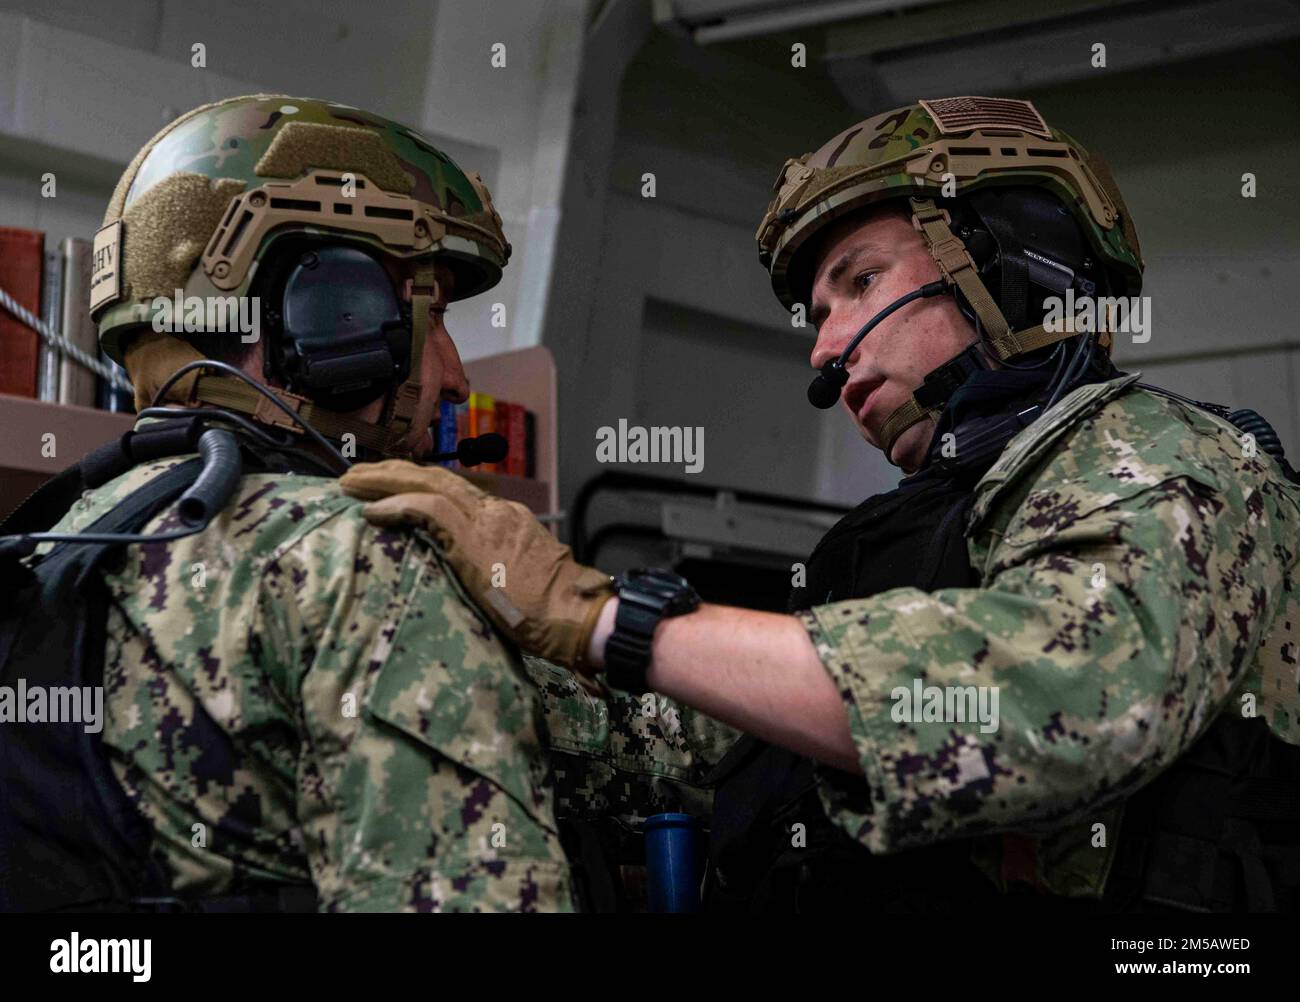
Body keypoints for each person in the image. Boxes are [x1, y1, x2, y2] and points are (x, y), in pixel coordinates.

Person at [342, 96, 1300, 912]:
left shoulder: (1170, 458)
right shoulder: (898, 534)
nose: (823, 346)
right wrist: (467, 642)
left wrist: (603, 619)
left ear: (1007, 256)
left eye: (860, 283)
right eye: (817, 311)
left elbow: (1069, 697)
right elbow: (707, 744)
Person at [0, 94, 580, 913]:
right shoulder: (360, 561)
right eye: (437, 315)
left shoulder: (50, 543)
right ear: (330, 312)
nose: (457, 378)